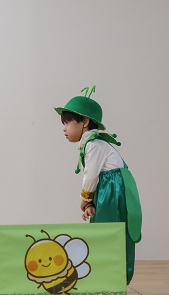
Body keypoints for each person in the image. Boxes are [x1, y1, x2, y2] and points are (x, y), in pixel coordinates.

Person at [56, 86, 142, 283]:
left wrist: (84, 200)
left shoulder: (94, 145)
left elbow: (91, 177)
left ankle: (113, 278)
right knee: (104, 230)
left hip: (113, 190)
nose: (64, 128)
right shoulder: (93, 144)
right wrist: (91, 202)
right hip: (109, 188)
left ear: (85, 122)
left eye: (68, 122)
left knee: (110, 232)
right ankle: (107, 277)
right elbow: (96, 178)